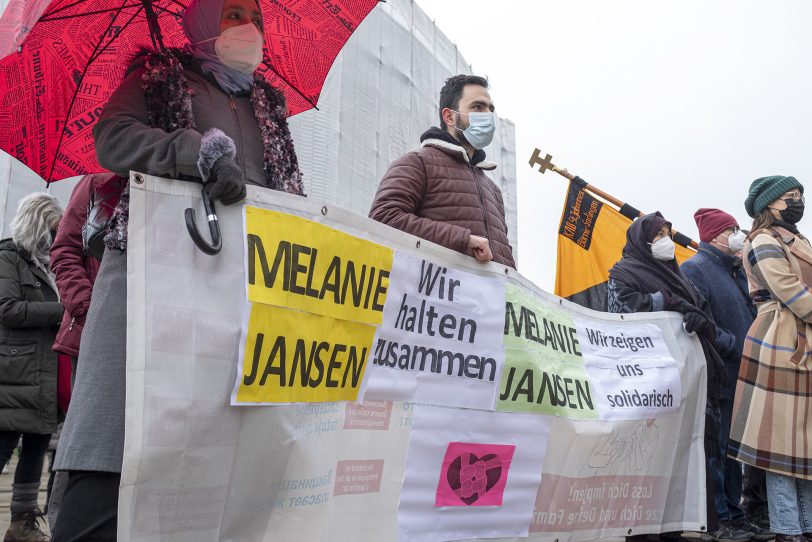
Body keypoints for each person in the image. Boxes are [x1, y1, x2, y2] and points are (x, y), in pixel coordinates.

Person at [51, 0, 304, 538]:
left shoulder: (268, 104)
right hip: (151, 271)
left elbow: (291, 194)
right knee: (116, 425)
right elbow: (112, 137)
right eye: (234, 14)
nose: (250, 28)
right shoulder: (158, 75)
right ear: (203, 25)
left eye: (254, 16)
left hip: (238, 285)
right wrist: (195, 152)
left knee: (214, 440)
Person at [607, 212, 728, 542]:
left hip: (690, 381)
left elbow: (703, 312)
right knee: (649, 458)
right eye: (658, 234)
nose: (666, 241)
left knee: (683, 457)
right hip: (650, 385)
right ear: (641, 241)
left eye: (667, 233)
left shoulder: (681, 277)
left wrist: (699, 320)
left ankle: (677, 527)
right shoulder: (624, 272)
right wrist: (668, 304)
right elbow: (623, 312)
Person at [729, 176, 812, 542]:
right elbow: (789, 291)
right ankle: (788, 528)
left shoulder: (798, 240)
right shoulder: (763, 241)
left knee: (804, 441)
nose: (798, 202)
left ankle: (807, 525)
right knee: (781, 441)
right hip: (780, 339)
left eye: (800, 196)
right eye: (791, 197)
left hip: (802, 338)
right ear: (771, 203)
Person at [681, 209, 770, 541]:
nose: (738, 234)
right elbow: (696, 321)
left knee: (735, 452)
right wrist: (735, 345)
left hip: (745, 375)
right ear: (715, 236)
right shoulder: (696, 268)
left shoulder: (735, 271)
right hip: (721, 374)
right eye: (732, 229)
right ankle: (722, 519)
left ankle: (738, 513)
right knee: (719, 453)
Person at [368, 74, 515, 268]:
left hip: (489, 297)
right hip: (435, 295)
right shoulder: (417, 163)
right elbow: (383, 218)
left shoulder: (493, 190)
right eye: (478, 107)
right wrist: (463, 240)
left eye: (490, 109)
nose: (488, 115)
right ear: (449, 116)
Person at [46, 172, 123, 529]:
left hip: (155, 334)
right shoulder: (100, 182)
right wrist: (92, 309)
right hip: (94, 335)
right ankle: (64, 521)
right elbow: (63, 250)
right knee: (85, 440)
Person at [0, 192, 64, 542]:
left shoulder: (50, 264)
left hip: (43, 374)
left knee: (37, 450)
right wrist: (63, 309)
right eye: (53, 228)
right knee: (4, 445)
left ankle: (22, 525)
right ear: (37, 224)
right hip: (14, 374)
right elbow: (8, 308)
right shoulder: (7, 258)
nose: (57, 235)